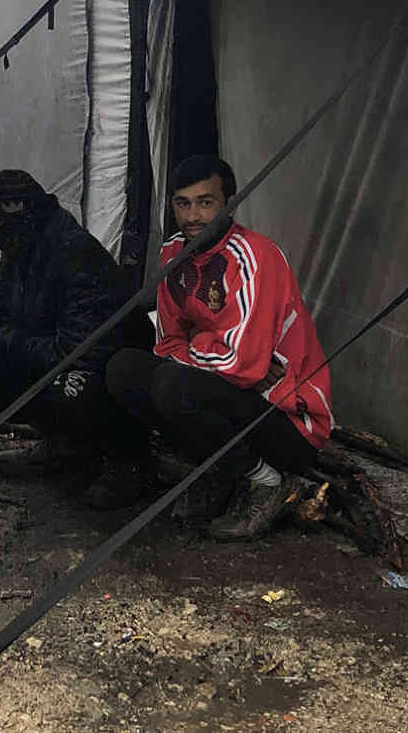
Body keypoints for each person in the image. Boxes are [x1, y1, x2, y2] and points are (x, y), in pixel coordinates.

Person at [106, 156, 335, 542]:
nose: (193, 216)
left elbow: (240, 363)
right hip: (235, 392)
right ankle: (217, 469)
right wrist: (209, 350)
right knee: (123, 369)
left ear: (229, 204)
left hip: (289, 417)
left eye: (205, 202)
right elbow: (168, 342)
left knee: (175, 385)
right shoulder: (173, 253)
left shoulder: (254, 256)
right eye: (183, 203)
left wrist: (206, 353)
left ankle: (268, 482)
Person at [0, 169, 148, 508]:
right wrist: (3, 330)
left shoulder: (75, 254)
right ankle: (62, 444)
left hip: (108, 371)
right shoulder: (20, 247)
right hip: (51, 356)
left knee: (71, 387)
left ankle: (129, 459)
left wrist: (4, 333)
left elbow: (73, 353)